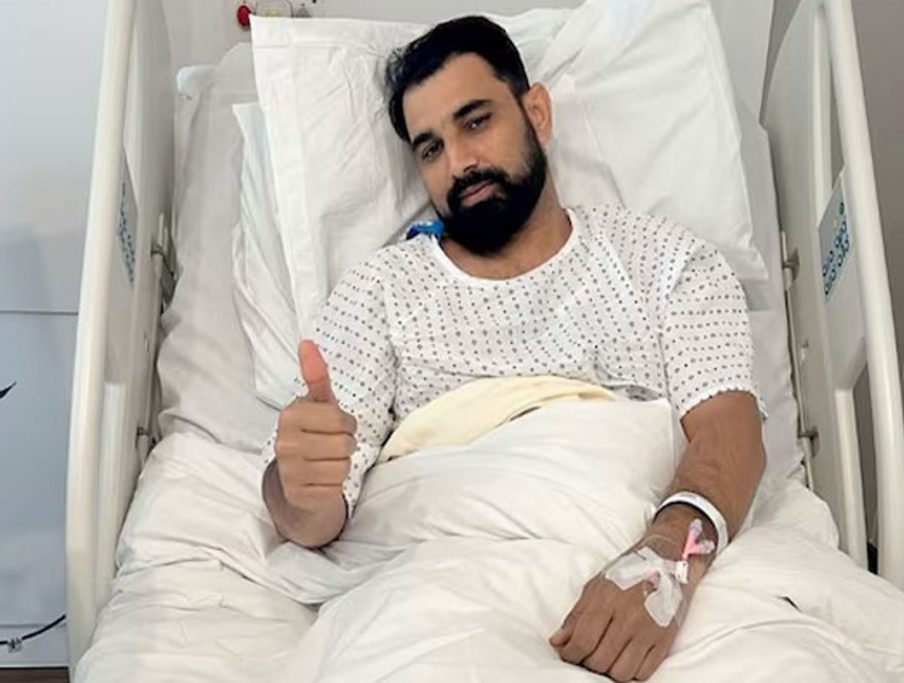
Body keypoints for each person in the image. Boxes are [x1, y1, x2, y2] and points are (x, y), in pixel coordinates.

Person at [261, 15, 765, 683]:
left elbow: (732, 433)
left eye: (476, 121)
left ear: (537, 112)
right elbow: (313, 514)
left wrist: (665, 561)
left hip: (650, 555)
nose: (459, 163)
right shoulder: (381, 291)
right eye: (430, 149)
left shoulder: (665, 262)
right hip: (441, 591)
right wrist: (297, 486)